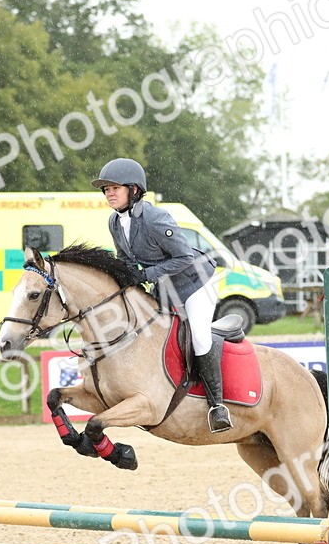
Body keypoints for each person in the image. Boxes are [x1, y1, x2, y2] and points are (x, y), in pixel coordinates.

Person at [91, 158, 231, 432]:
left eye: (114, 188)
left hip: (195, 284)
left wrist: (145, 275)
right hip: (165, 289)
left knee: (199, 336)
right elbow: (125, 258)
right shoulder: (115, 222)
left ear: (133, 190)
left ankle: (217, 405)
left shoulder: (155, 219)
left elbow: (184, 257)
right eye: (106, 189)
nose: (109, 194)